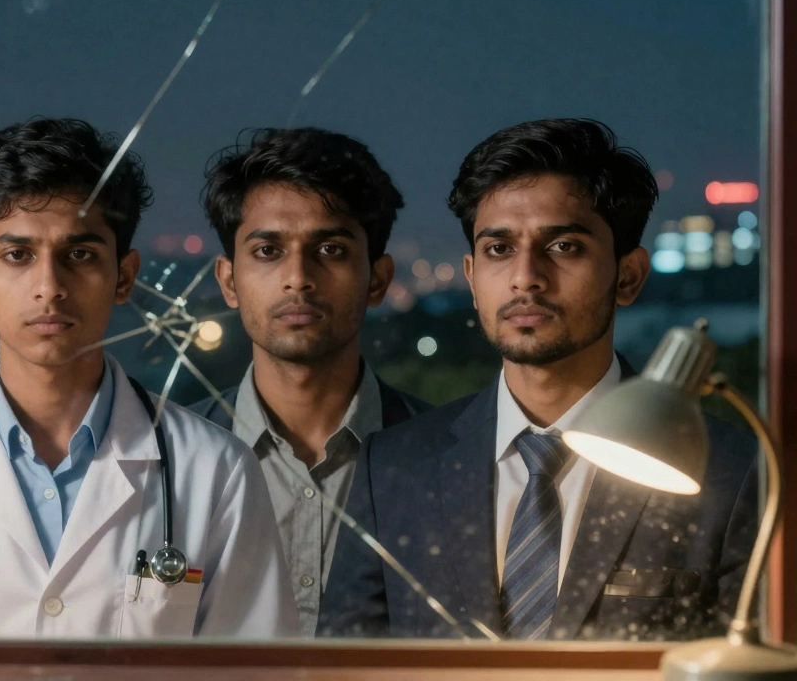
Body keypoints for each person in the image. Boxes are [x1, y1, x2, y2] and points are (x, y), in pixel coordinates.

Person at [0, 117, 298, 638]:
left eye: (79, 255)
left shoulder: (216, 470)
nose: (49, 286)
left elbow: (258, 671)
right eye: (17, 255)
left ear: (124, 276)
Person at [319, 118, 757, 641]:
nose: (526, 276)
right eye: (499, 249)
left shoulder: (733, 474)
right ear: (472, 279)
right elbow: (342, 668)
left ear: (629, 275)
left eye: (564, 246)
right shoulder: (393, 469)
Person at [188, 127, 429, 635]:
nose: (298, 276)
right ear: (229, 281)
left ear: (378, 280)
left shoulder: (447, 461)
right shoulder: (174, 461)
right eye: (268, 251)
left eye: (332, 250)